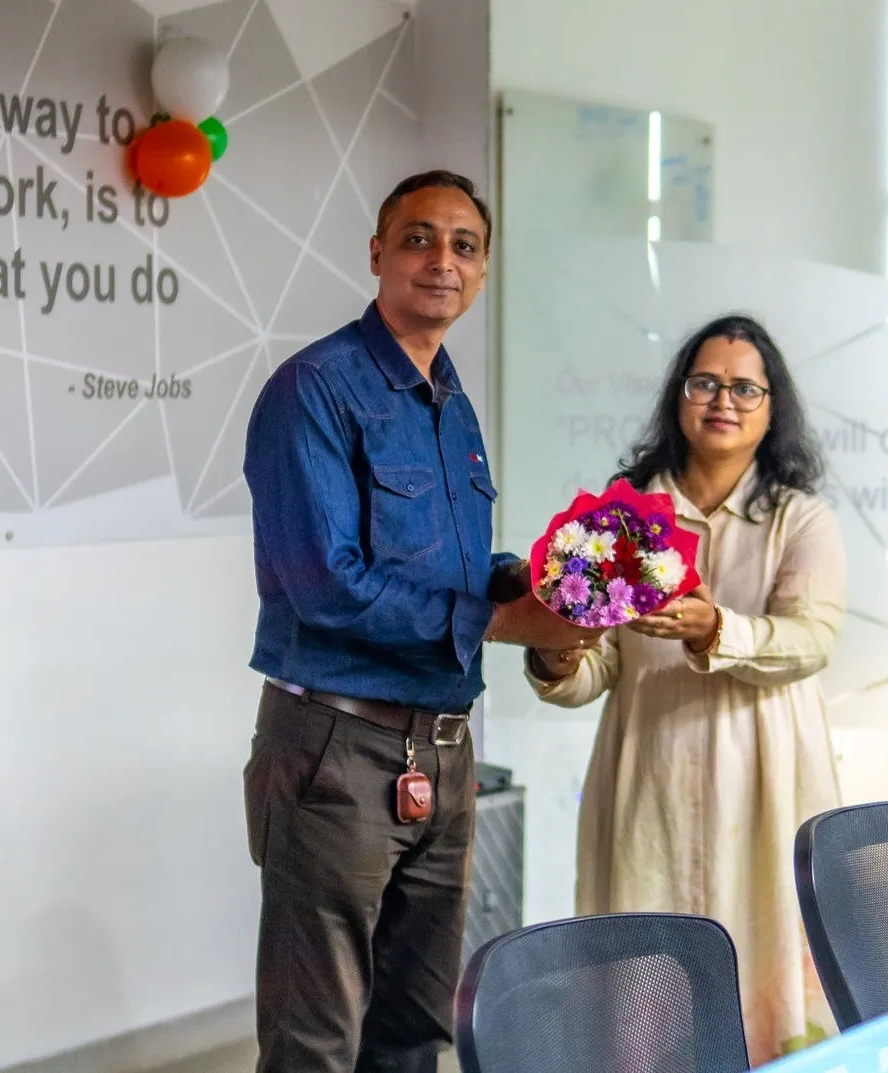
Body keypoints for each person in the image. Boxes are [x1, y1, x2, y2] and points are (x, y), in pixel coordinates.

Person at [241, 170, 591, 1073]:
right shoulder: (314, 388)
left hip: (443, 749)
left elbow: (443, 564)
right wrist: (502, 622)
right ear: (377, 253)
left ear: (483, 269)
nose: (443, 260)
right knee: (316, 1039)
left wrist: (540, 582)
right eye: (418, 238)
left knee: (413, 1030)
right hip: (337, 749)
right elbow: (326, 586)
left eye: (464, 245)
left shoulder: (451, 401)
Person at [526, 315, 848, 1062]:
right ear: (679, 396)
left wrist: (715, 629)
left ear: (771, 407)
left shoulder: (800, 519)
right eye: (705, 383)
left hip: (767, 788)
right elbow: (599, 668)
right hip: (649, 781)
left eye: (744, 388)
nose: (723, 400)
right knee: (646, 1003)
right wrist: (555, 652)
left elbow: (811, 640)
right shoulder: (622, 520)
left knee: (770, 990)